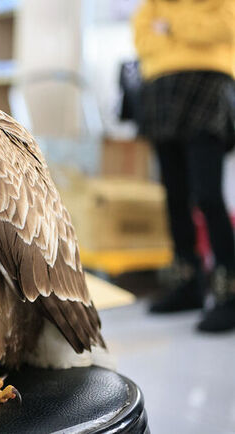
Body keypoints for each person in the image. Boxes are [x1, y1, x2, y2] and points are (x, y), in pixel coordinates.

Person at [132, 0, 235, 331]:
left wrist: (171, 26)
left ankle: (229, 292)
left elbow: (224, 28)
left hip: (208, 89)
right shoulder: (152, 5)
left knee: (208, 196)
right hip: (162, 92)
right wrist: (185, 28)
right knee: (174, 196)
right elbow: (142, 38)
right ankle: (188, 284)